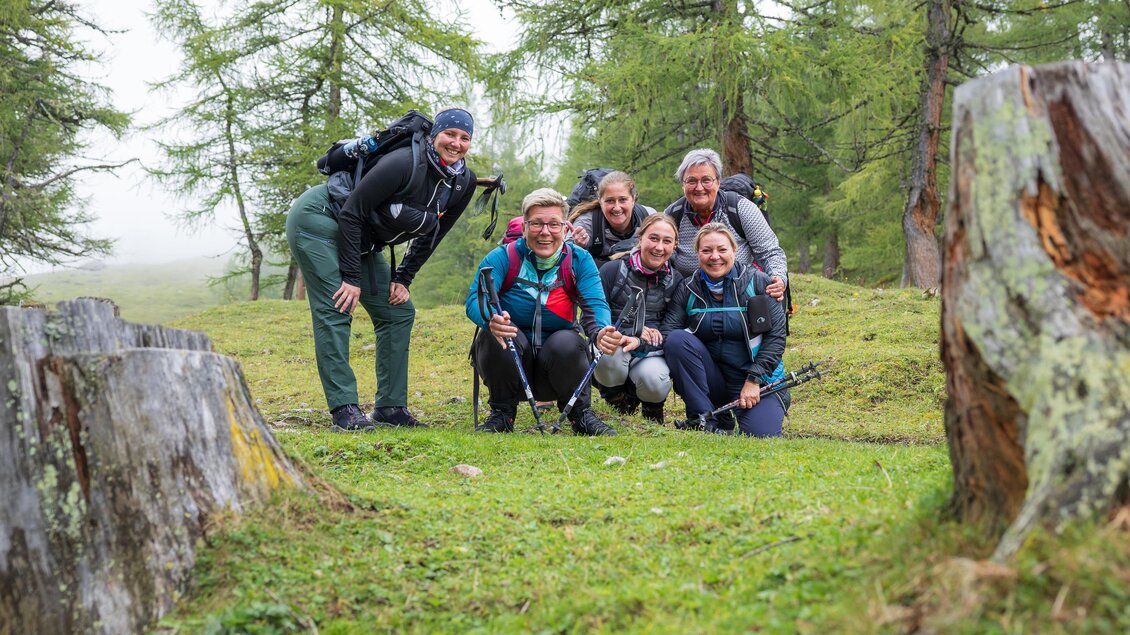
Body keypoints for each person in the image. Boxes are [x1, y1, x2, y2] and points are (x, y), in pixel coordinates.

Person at [285, 107, 477, 432]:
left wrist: (403, 278)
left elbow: (433, 236)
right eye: (449, 134)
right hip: (320, 218)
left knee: (398, 311)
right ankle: (344, 409)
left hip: (360, 236)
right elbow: (351, 212)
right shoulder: (403, 163)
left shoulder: (461, 183)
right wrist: (351, 278)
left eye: (464, 137)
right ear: (434, 135)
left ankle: (390, 408)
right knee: (338, 304)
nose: (456, 143)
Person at [465, 188, 616, 436]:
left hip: (557, 366)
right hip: (511, 363)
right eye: (536, 223)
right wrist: (490, 319)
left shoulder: (579, 260)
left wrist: (600, 331)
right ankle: (502, 414)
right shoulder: (503, 256)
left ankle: (580, 415)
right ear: (524, 227)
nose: (545, 232)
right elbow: (475, 298)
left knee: (567, 341)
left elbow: (595, 305)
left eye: (553, 224)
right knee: (499, 335)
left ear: (565, 229)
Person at [661, 223, 789, 437]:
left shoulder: (759, 283)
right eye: (706, 250)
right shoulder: (688, 287)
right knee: (676, 340)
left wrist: (754, 380)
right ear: (697, 254)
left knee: (761, 436)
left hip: (755, 379)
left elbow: (776, 337)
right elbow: (669, 332)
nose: (715, 257)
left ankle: (746, 412)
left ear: (734, 250)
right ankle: (706, 418)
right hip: (712, 380)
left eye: (722, 250)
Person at [592, 214, 683, 424]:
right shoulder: (612, 270)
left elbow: (672, 328)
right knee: (609, 356)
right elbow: (592, 315)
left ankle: (652, 408)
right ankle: (619, 400)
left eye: (667, 241)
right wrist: (631, 332)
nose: (659, 247)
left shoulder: (676, 281)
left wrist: (640, 341)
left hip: (650, 350)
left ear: (675, 245)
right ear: (640, 238)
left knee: (654, 379)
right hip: (617, 343)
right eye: (653, 238)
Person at [664, 149, 788, 302]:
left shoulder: (740, 208)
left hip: (742, 296)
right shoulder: (673, 215)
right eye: (691, 181)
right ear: (683, 185)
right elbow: (661, 257)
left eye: (706, 180)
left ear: (718, 182)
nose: (699, 187)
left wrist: (778, 278)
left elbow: (769, 251)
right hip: (693, 299)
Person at [569, 171, 655, 268]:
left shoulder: (648, 217)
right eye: (610, 201)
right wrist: (577, 248)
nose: (617, 208)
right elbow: (562, 261)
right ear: (600, 201)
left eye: (623, 200)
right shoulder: (586, 223)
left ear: (633, 199)